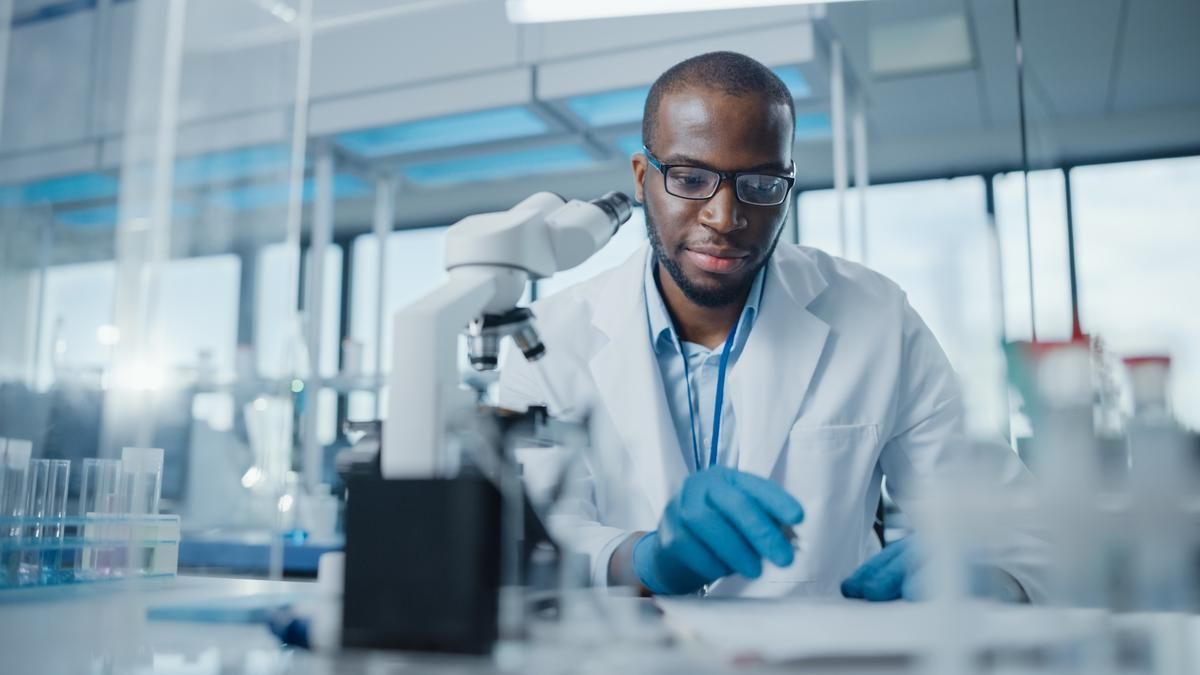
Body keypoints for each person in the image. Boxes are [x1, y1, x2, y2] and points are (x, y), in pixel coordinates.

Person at [500, 51, 1045, 600]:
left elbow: (1015, 531)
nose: (724, 217)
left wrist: (993, 582)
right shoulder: (546, 339)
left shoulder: (876, 317)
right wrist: (642, 558)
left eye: (761, 184)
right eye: (691, 178)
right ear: (643, 179)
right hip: (625, 643)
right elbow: (530, 539)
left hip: (824, 644)